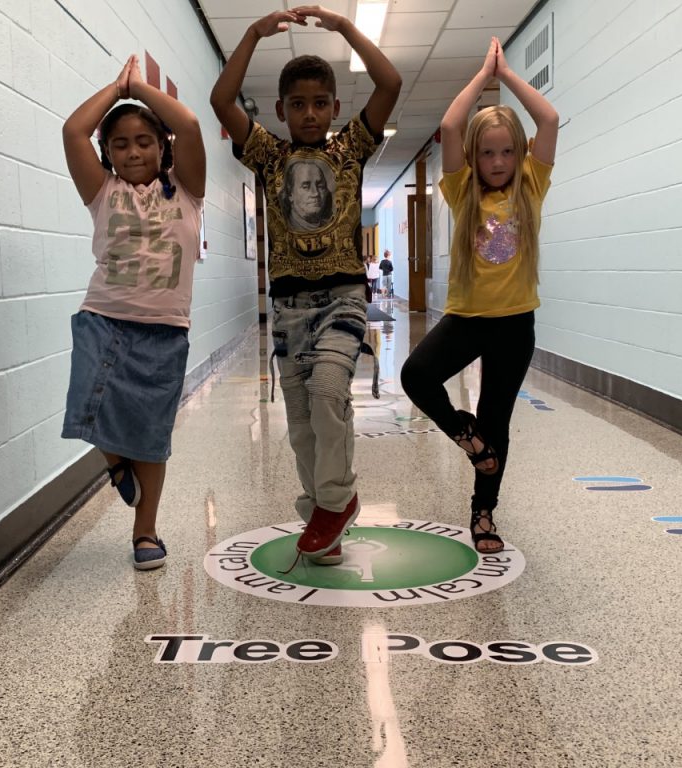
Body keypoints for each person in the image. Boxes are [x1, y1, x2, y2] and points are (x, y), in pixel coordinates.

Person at [211, 6, 401, 564]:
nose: (311, 113)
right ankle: (324, 519)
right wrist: (250, 35)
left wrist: (345, 29)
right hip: (289, 306)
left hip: (343, 297)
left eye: (321, 103)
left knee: (325, 393)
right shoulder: (269, 156)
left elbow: (389, 82)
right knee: (300, 423)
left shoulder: (349, 149)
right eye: (299, 104)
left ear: (336, 108)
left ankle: (335, 502)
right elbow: (223, 102)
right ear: (281, 110)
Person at [400, 36, 558, 554]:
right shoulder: (460, 190)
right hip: (467, 319)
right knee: (415, 375)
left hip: (516, 323)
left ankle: (483, 513)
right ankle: (467, 435)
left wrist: (508, 76)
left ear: (519, 154)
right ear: (474, 156)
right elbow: (448, 126)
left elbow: (550, 121)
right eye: (487, 152)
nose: (498, 161)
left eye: (507, 150)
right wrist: (481, 76)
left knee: (499, 418)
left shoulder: (530, 186)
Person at [61, 54, 205, 570]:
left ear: (162, 146)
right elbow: (72, 130)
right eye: (120, 143)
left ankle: (146, 533)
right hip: (102, 317)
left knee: (151, 435)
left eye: (144, 140)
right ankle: (115, 462)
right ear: (108, 152)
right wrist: (114, 88)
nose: (133, 151)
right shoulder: (102, 192)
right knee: (86, 405)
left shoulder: (187, 192)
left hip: (165, 331)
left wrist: (140, 90)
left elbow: (188, 124)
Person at [281, 158, 334, 231]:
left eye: (320, 186)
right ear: (290, 194)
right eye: (305, 187)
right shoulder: (283, 228)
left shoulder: (331, 227)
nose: (315, 193)